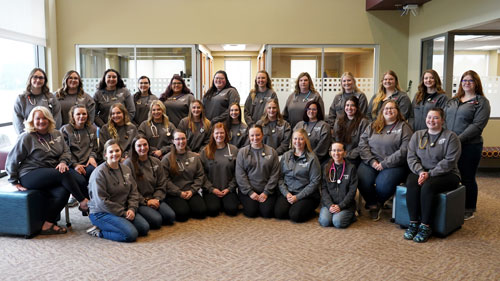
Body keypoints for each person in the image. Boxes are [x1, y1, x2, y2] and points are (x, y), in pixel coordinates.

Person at [6, 106, 89, 235]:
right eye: (37, 118)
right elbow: (12, 160)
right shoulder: (26, 137)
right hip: (30, 173)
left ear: (49, 119)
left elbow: (66, 152)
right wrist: (14, 181)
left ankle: (47, 225)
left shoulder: (57, 134)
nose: (41, 121)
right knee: (63, 174)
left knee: (63, 190)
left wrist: (62, 162)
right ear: (32, 120)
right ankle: (83, 201)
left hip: (51, 172)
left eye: (44, 118)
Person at [405, 108, 461, 242]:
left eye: (435, 118)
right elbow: (411, 157)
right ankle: (413, 223)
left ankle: (425, 226)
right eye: (429, 117)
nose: (431, 120)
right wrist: (420, 172)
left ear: (442, 120)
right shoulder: (417, 135)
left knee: (428, 186)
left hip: (447, 174)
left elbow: (450, 161)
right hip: (421, 172)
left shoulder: (451, 137)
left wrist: (430, 174)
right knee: (411, 182)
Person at [445, 70, 490, 220]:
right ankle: (453, 203)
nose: (467, 83)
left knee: (467, 177)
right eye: (464, 80)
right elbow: (443, 119)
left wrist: (458, 139)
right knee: (450, 175)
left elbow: (478, 125)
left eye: (470, 81)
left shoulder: (481, 102)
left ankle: (469, 207)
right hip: (450, 144)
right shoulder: (454, 100)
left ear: (476, 83)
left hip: (470, 145)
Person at [358, 100, 413, 221]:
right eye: (386, 108)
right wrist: (372, 161)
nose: (389, 110)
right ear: (382, 111)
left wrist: (385, 163)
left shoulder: (404, 127)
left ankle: (378, 201)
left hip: (394, 165)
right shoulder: (373, 125)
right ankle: (373, 204)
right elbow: (362, 144)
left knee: (383, 186)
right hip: (371, 162)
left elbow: (404, 150)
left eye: (392, 108)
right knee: (362, 179)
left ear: (397, 111)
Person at [87, 139, 150, 242]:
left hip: (123, 209)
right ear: (105, 154)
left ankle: (117, 224)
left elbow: (133, 192)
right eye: (111, 152)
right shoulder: (99, 173)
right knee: (130, 235)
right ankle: (99, 232)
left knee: (144, 228)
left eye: (117, 151)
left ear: (121, 151)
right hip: (101, 212)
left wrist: (132, 209)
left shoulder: (126, 169)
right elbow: (102, 202)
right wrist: (124, 213)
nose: (114, 154)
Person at [124, 136, 176, 229]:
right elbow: (130, 190)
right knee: (157, 221)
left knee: (170, 217)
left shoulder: (156, 161)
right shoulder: (128, 164)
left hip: (155, 198)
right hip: (138, 201)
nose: (143, 148)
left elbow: (162, 184)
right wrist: (146, 201)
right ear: (134, 148)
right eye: (139, 146)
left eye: (145, 145)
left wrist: (157, 199)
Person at [275, 129, 321, 222]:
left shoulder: (312, 158)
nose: (297, 142)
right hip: (289, 192)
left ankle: (308, 210)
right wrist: (286, 194)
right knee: (279, 213)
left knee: (295, 216)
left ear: (305, 141)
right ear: (292, 140)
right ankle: (294, 206)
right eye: (295, 139)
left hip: (307, 195)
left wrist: (298, 197)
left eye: (301, 139)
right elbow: (280, 178)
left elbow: (314, 182)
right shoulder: (286, 156)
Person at [161, 130, 207, 221]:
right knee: (183, 215)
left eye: (183, 139)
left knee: (201, 212)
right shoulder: (166, 159)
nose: (181, 142)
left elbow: (200, 175)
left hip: (191, 191)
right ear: (173, 141)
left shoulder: (194, 156)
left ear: (186, 140)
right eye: (178, 139)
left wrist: (192, 190)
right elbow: (165, 180)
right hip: (174, 193)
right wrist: (179, 192)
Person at [236, 124, 280, 218]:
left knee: (267, 213)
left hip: (267, 190)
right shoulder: (242, 152)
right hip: (248, 190)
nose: (255, 138)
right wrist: (250, 192)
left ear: (262, 135)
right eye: (252, 135)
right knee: (251, 212)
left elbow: (275, 174)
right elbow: (240, 175)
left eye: (258, 135)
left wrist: (266, 192)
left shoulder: (272, 152)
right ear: (249, 136)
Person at [200, 123, 240, 217]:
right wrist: (211, 189)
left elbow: (238, 173)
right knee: (213, 211)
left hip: (228, 189)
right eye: (217, 133)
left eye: (222, 133)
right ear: (213, 134)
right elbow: (201, 174)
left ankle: (225, 202)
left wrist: (230, 188)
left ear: (226, 134)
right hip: (211, 190)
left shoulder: (234, 150)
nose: (219, 135)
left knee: (232, 210)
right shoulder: (205, 151)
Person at [60, 105, 99, 200]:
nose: (81, 116)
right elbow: (63, 151)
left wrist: (92, 157)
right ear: (72, 116)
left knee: (95, 176)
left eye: (84, 114)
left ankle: (95, 203)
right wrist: (75, 165)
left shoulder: (92, 129)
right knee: (81, 181)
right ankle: (88, 205)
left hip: (88, 162)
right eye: (78, 114)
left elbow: (95, 148)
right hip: (71, 164)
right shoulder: (65, 130)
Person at [318, 142, 358, 228]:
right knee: (325, 222)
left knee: (337, 222)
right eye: (334, 150)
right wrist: (329, 205)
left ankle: (351, 216)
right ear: (330, 152)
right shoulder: (326, 168)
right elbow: (323, 189)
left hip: (345, 205)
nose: (336, 153)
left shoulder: (351, 168)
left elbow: (352, 191)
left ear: (345, 152)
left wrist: (341, 206)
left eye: (339, 150)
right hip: (330, 204)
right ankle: (334, 214)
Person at [13, 68, 62, 134]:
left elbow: (57, 118)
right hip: (29, 137)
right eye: (35, 77)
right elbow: (18, 122)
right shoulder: (21, 99)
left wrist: (51, 134)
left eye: (41, 78)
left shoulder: (51, 97)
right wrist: (26, 137)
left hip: (48, 136)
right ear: (30, 79)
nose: (38, 80)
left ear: (45, 80)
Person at [333, 96, 370, 166]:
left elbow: (363, 144)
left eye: (352, 105)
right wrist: (338, 153)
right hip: (338, 156)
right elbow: (334, 139)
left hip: (355, 158)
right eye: (347, 105)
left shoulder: (363, 122)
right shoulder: (338, 121)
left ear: (357, 108)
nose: (349, 108)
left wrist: (348, 154)